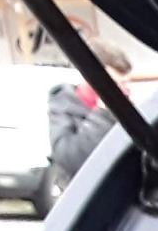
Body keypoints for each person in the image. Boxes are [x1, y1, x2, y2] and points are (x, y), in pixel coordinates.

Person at [47, 37, 132, 183]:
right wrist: (105, 113)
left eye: (124, 83)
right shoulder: (63, 108)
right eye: (114, 84)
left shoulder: (125, 109)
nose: (123, 90)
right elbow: (71, 160)